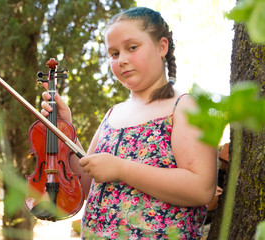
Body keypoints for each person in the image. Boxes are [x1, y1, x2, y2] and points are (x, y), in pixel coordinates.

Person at [40, 7, 217, 240]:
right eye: (113, 54)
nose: (122, 60)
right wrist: (65, 131)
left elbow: (201, 189)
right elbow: (81, 184)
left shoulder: (185, 107)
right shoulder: (113, 114)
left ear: (161, 47)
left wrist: (121, 168)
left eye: (132, 48)